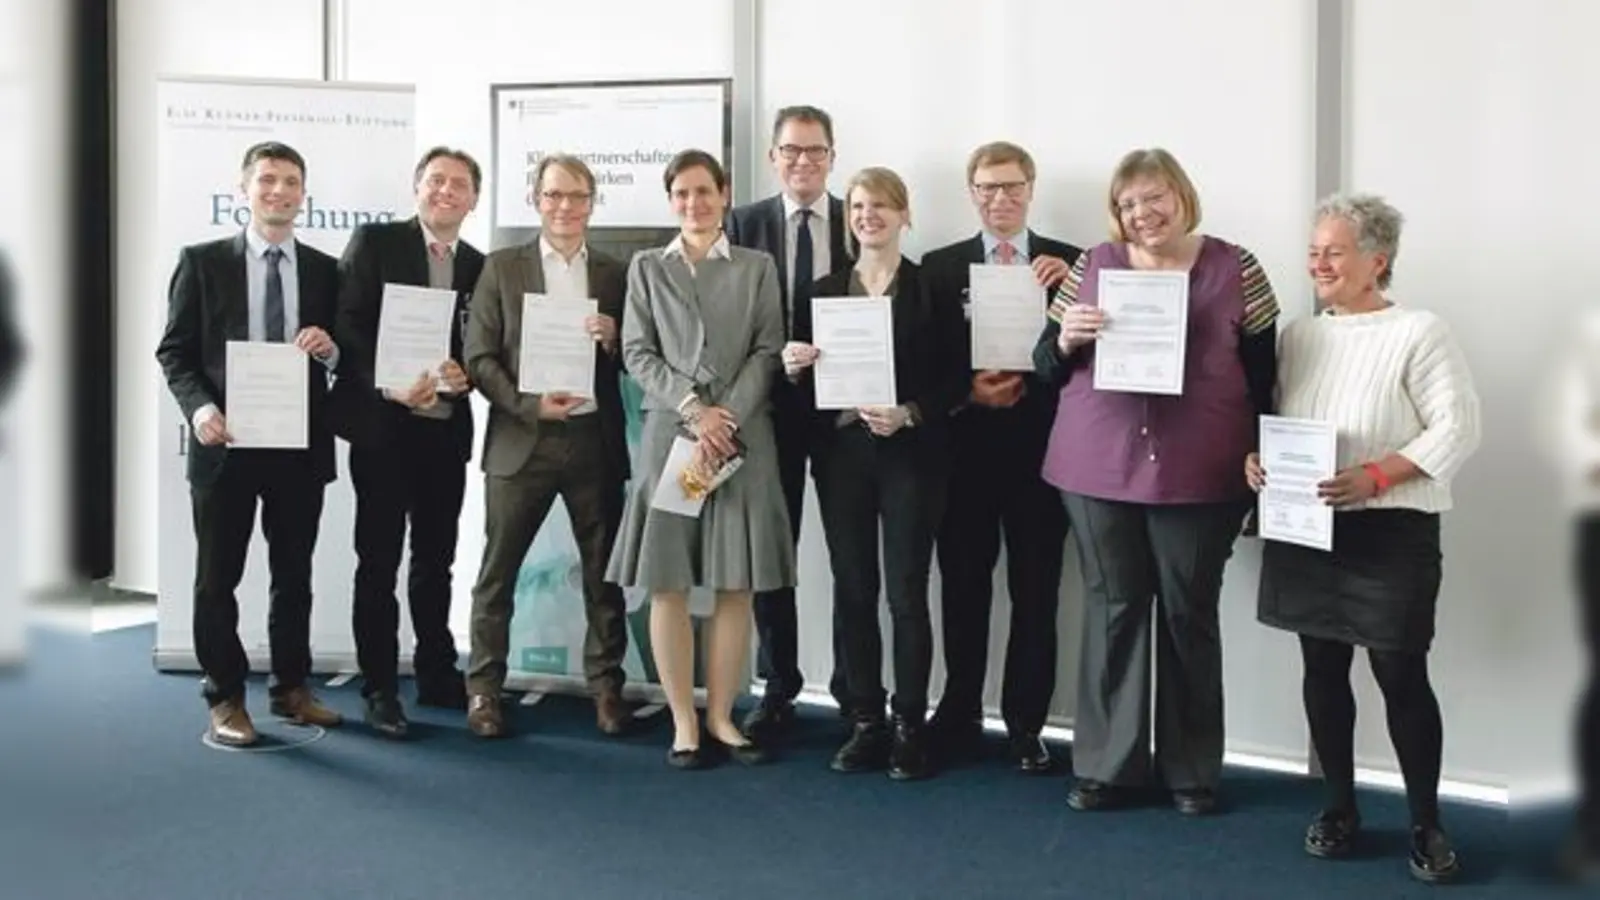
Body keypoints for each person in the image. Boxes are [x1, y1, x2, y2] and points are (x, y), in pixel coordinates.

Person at [1032, 148, 1278, 815]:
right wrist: (1065, 339)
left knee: (1186, 613)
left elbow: (1267, 374)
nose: (1142, 213)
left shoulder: (1238, 267)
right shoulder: (1092, 265)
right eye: (1128, 203)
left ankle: (1190, 771)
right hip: (1095, 467)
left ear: (1181, 195)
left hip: (1204, 471)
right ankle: (1106, 766)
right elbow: (1044, 366)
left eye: (1154, 197)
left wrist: (1268, 450)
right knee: (1113, 609)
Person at [1248, 193, 1480, 883]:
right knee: (1321, 669)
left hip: (1391, 529)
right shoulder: (1299, 334)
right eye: (1313, 251)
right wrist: (1258, 458)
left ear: (1378, 260)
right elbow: (1281, 416)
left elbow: (1459, 426)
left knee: (1400, 674)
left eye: (1335, 252)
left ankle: (1426, 824)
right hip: (1309, 526)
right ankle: (1339, 807)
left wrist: (1377, 476)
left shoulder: (1420, 331)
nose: (1319, 263)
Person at [606, 149, 793, 768]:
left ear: (724, 194)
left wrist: (725, 415)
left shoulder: (756, 267)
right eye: (682, 193)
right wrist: (694, 408)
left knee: (735, 582)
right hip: (675, 439)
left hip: (739, 439)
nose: (694, 203)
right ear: (670, 200)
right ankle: (685, 720)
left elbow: (768, 348)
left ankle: (722, 717)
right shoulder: (647, 268)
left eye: (704, 191)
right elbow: (637, 351)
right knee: (670, 581)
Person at [154, 140, 344, 746]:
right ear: (244, 189)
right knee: (217, 581)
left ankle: (291, 688)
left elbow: (349, 355)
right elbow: (175, 353)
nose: (278, 191)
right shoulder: (202, 262)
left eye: (290, 182)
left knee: (294, 576)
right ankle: (226, 696)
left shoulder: (327, 270)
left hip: (299, 449)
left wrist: (331, 351)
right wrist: (200, 408)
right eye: (267, 180)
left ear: (303, 195)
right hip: (225, 446)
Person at [784, 166, 966, 780]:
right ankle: (866, 720)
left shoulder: (932, 288)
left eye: (883, 205)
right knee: (853, 589)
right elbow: (801, 388)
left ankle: (910, 723)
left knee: (907, 593)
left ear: (904, 214)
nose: (869, 215)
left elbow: (957, 380)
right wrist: (794, 366)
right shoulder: (821, 292)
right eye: (860, 206)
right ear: (849, 218)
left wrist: (910, 412)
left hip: (912, 457)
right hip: (842, 459)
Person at [920, 141, 1080, 773]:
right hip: (964, 454)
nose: (1000, 198)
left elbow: (1095, 359)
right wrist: (967, 391)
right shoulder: (939, 268)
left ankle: (1026, 725)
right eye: (987, 187)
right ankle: (959, 710)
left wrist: (1068, 292)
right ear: (972, 194)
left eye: (1012, 186)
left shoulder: (1073, 263)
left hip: (1045, 454)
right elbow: (924, 361)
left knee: (1036, 593)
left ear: (1031, 189)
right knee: (962, 588)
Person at [461, 153, 632, 739]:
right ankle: (484, 690)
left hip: (592, 442)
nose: (565, 206)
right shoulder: (501, 267)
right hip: (521, 441)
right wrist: (528, 404)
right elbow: (478, 356)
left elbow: (638, 356)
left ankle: (606, 690)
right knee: (497, 576)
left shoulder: (614, 274)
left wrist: (616, 338)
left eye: (577, 195)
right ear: (536, 199)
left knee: (603, 578)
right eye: (554, 194)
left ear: (592, 203)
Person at [328, 146, 485, 736]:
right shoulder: (376, 243)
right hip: (383, 431)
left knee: (436, 562)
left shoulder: (478, 265)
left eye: (459, 184)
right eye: (436, 180)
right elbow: (348, 323)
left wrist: (469, 374)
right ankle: (379, 688)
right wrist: (389, 385)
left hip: (444, 434)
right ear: (417, 187)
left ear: (474, 199)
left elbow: (481, 344)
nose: (446, 191)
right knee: (378, 562)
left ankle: (437, 671)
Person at [725, 105, 852, 737]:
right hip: (765, 411)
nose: (804, 161)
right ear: (773, 157)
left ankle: (855, 690)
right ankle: (778, 686)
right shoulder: (740, 224)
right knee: (772, 552)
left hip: (843, 413)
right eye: (792, 150)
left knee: (850, 555)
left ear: (833, 157)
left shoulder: (860, 217)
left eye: (816, 150)